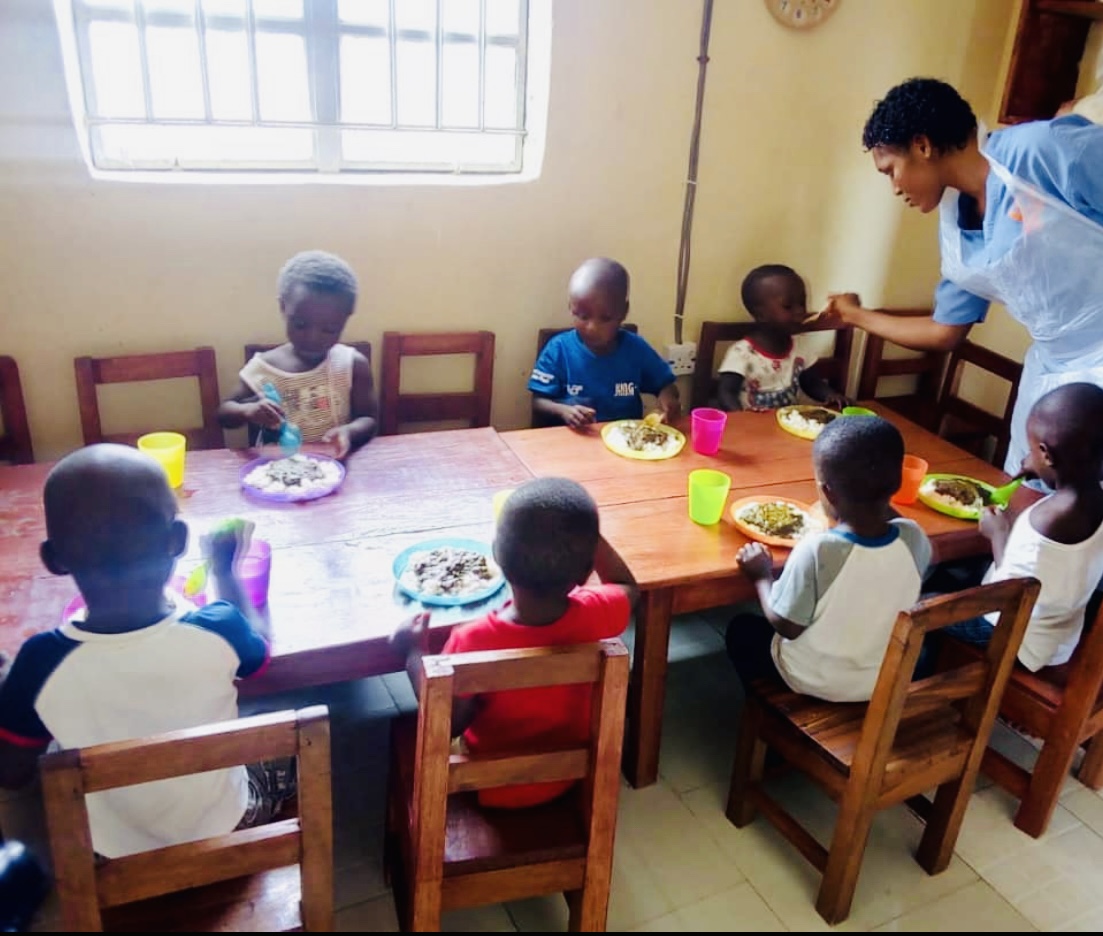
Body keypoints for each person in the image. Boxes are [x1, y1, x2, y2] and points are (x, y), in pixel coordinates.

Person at [822, 77, 1103, 589]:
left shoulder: (1045, 149)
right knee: (1027, 505)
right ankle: (1015, 613)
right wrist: (856, 316)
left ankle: (1070, 641)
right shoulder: (956, 219)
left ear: (922, 145)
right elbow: (946, 332)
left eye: (891, 169)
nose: (894, 185)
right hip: (1062, 367)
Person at [0, 444, 288, 859]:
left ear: (54, 559)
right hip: (224, 832)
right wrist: (225, 572)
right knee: (272, 739)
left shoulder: (40, 663)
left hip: (110, 856)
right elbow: (261, 652)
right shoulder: (218, 627)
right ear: (177, 542)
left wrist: (11, 684)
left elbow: (11, 773)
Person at [393, 477, 638, 808]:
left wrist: (412, 652)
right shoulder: (598, 612)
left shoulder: (472, 639)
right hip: (567, 778)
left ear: (497, 556)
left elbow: (448, 724)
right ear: (585, 569)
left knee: (403, 729)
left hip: (489, 788)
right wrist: (588, 539)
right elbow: (628, 587)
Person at [924, 384, 1103, 674]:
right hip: (1061, 633)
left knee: (921, 604)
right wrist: (1054, 463)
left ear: (1048, 454)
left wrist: (998, 533)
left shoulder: (1042, 522)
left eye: (1033, 449)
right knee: (956, 570)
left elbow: (1006, 594)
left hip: (1017, 637)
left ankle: (922, 679)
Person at [727, 416, 932, 702]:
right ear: (897, 482)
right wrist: (875, 500)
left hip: (812, 679)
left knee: (741, 629)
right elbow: (897, 527)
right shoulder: (916, 540)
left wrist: (762, 576)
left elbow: (786, 625)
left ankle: (772, 717)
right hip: (881, 679)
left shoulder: (817, 549)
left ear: (827, 493)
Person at [219, 249, 378, 458]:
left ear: (345, 319)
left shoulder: (352, 365)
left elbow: (369, 419)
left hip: (332, 467)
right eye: (301, 324)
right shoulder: (264, 367)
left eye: (329, 329)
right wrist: (248, 411)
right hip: (277, 471)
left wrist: (349, 432)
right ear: (283, 307)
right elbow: (223, 414)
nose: (313, 338)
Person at [528, 257, 681, 429]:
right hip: (575, 442)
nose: (592, 327)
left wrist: (668, 399)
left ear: (623, 312)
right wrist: (564, 410)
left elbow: (666, 386)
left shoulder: (636, 349)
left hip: (625, 442)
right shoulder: (558, 350)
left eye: (605, 318)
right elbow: (538, 401)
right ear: (571, 307)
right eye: (583, 316)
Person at [715, 264, 849, 412]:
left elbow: (811, 382)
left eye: (802, 303)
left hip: (789, 424)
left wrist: (830, 395)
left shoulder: (800, 347)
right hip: (752, 428)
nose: (799, 311)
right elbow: (726, 394)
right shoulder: (742, 352)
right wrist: (741, 419)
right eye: (788, 306)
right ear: (760, 315)